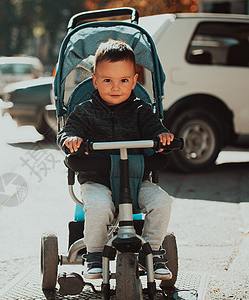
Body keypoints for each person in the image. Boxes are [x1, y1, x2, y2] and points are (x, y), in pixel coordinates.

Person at [57, 39, 174, 280]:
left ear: (134, 81)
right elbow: (67, 132)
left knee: (162, 201)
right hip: (97, 179)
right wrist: (71, 139)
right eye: (107, 80)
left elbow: (155, 129)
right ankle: (95, 253)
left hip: (135, 180)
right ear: (95, 81)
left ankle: (151, 251)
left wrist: (162, 137)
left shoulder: (141, 110)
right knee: (98, 206)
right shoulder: (85, 111)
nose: (115, 87)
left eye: (123, 81)